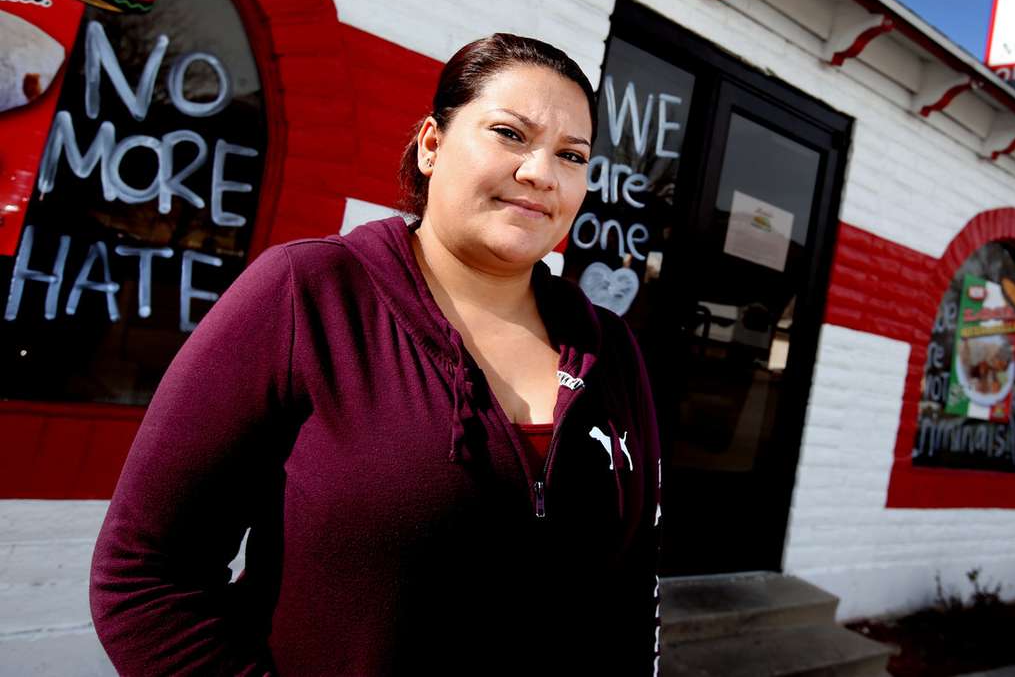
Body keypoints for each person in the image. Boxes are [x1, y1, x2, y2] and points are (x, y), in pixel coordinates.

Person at [89, 33, 663, 676]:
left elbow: (632, 587)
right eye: (509, 134)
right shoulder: (307, 294)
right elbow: (146, 577)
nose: (542, 173)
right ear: (431, 145)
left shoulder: (609, 350)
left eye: (572, 155)